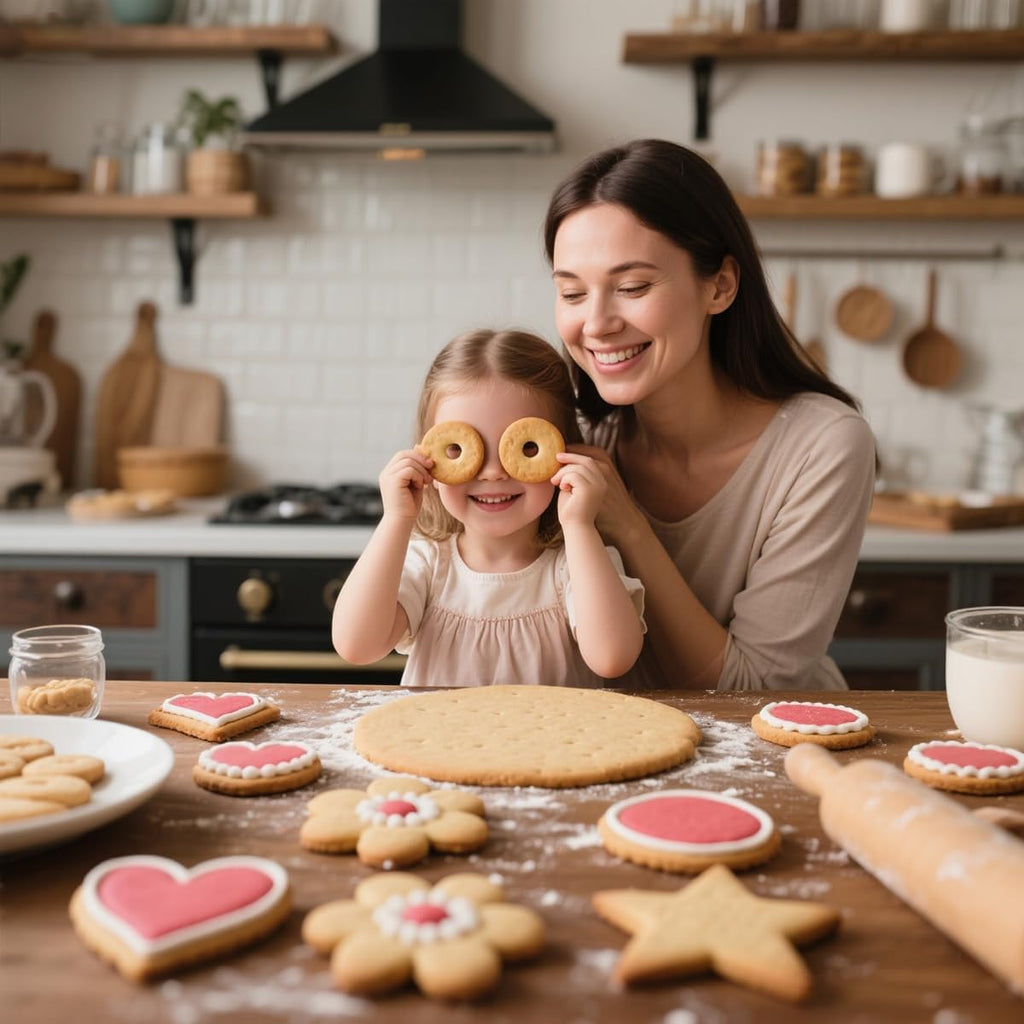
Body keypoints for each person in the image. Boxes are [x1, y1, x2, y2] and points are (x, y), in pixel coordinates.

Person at [544, 138, 876, 691]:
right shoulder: (578, 444)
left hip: (772, 757)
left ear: (719, 285)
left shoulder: (823, 446)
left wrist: (628, 524)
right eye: (573, 293)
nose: (596, 324)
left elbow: (755, 689)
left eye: (632, 287)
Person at [332, 328, 646, 687]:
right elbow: (356, 646)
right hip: (438, 742)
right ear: (427, 457)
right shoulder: (429, 565)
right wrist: (396, 520)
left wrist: (579, 527)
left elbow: (612, 658)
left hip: (551, 743)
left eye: (526, 448)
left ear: (564, 453)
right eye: (460, 450)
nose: (493, 472)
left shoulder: (576, 564)